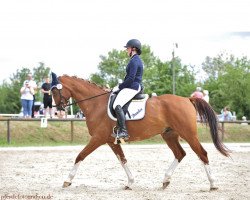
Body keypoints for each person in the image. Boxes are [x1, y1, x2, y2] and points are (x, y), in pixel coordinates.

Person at [112, 39, 144, 140]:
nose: (127, 50)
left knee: (116, 105)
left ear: (133, 49)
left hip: (132, 87)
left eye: (128, 48)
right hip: (131, 86)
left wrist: (120, 87)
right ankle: (120, 129)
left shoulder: (135, 61)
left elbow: (130, 79)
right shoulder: (135, 60)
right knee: (121, 104)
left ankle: (123, 131)